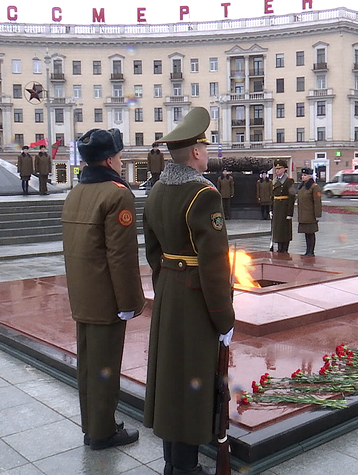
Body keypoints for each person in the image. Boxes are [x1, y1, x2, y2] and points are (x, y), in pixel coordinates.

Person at [142, 107, 234, 475]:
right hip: (196, 298)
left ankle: (172, 462)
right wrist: (223, 317)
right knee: (192, 377)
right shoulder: (203, 195)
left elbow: (151, 251)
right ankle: (186, 467)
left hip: (168, 289)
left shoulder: (157, 189)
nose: (207, 153)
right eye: (205, 147)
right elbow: (214, 265)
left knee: (170, 377)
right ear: (195, 152)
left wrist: (165, 283)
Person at [62, 128, 145, 451]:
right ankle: (103, 432)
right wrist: (128, 301)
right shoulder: (116, 194)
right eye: (120, 156)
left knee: (88, 365)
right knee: (105, 367)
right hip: (107, 298)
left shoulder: (76, 193)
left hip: (83, 295)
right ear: (110, 159)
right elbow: (121, 255)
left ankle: (93, 425)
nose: (121, 161)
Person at [270, 159, 295, 253]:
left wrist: (290, 213)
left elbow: (292, 197)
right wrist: (271, 209)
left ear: (284, 169)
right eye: (276, 169)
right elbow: (272, 196)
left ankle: (284, 248)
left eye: (280, 169)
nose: (277, 171)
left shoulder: (289, 181)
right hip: (277, 207)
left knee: (284, 229)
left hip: (284, 207)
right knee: (277, 229)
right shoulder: (274, 181)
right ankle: (279, 247)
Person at [297, 167, 323, 256]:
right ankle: (307, 251)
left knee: (311, 233)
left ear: (310, 176)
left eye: (305, 175)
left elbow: (317, 202)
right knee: (306, 233)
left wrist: (317, 215)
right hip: (303, 214)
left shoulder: (314, 187)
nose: (303, 177)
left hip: (310, 214)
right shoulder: (302, 186)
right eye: (302, 175)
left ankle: (311, 251)